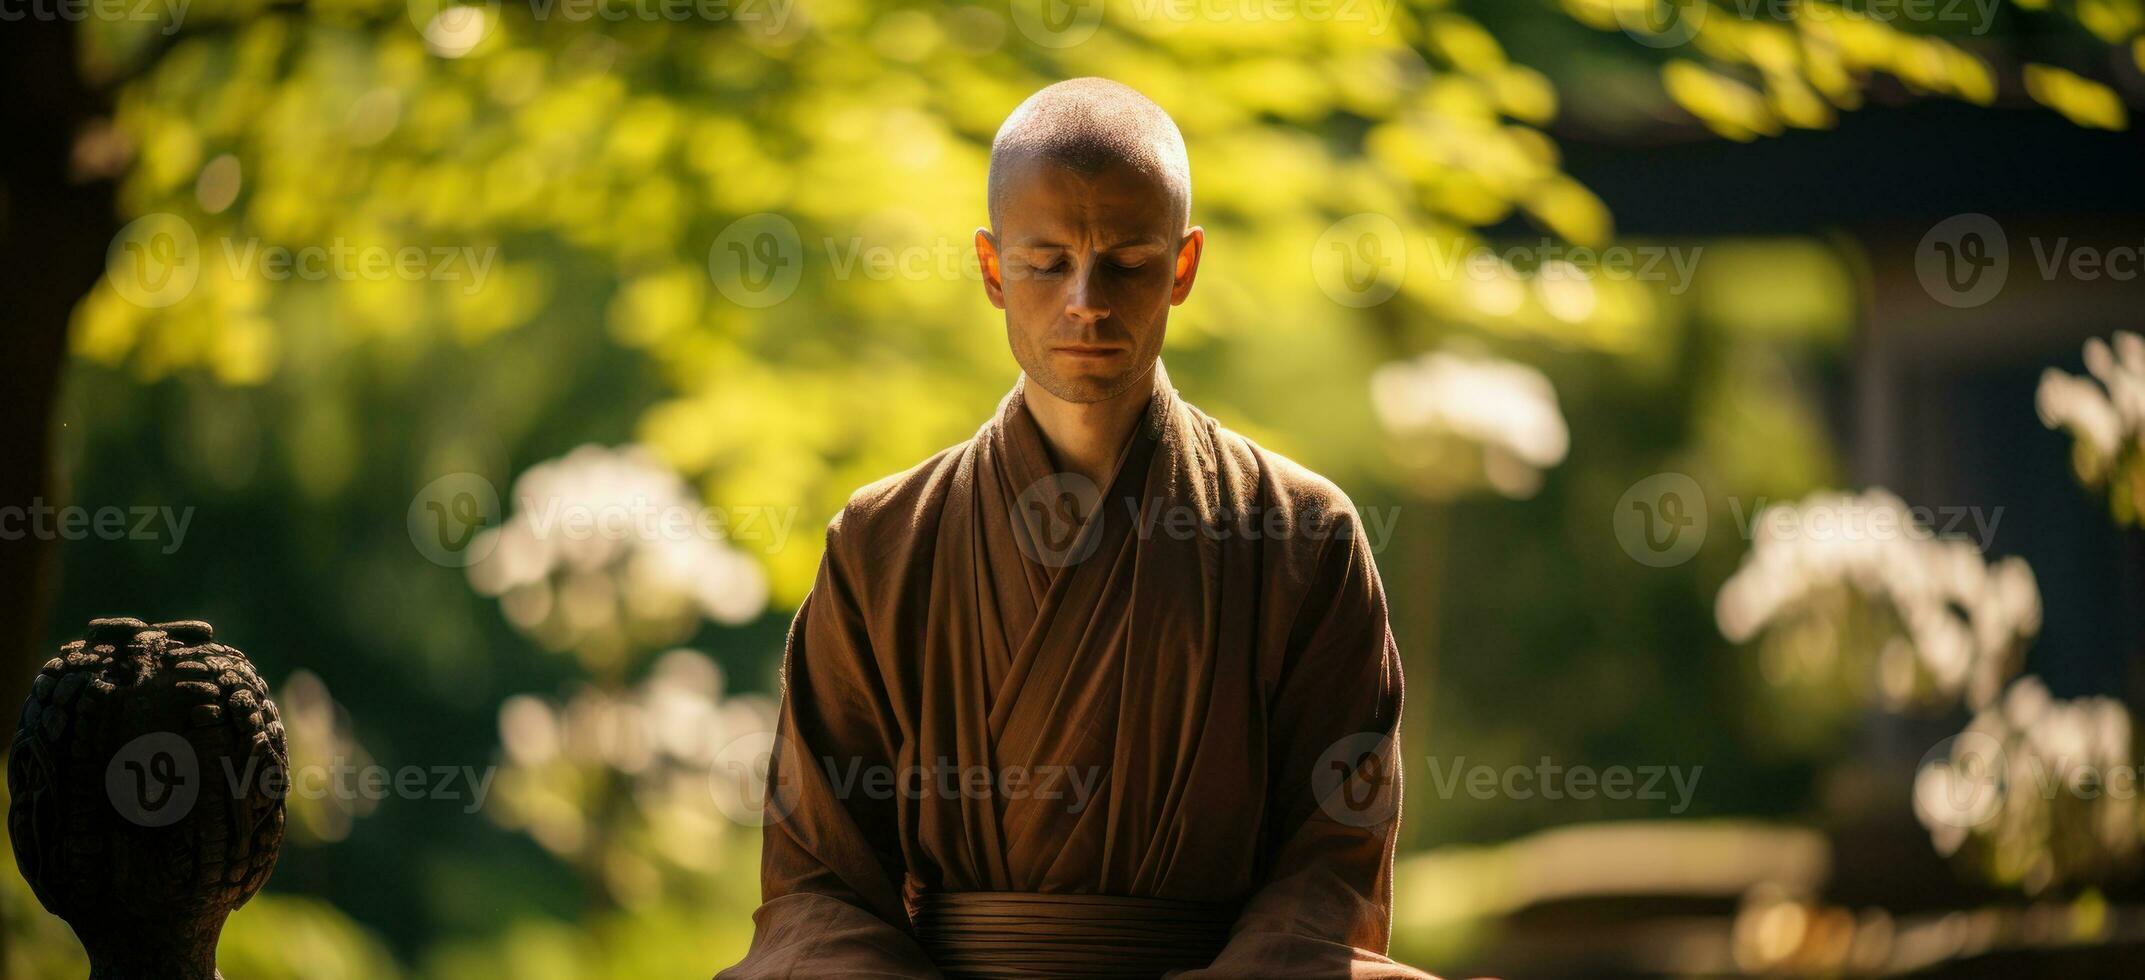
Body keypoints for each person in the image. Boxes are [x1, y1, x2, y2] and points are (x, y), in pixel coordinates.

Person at [721, 77, 1430, 979]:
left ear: (1182, 267)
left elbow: (1332, 863)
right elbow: (818, 880)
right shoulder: (883, 539)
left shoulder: (1299, 533)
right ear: (991, 268)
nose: (1085, 301)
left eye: (1128, 263)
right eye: (1046, 262)